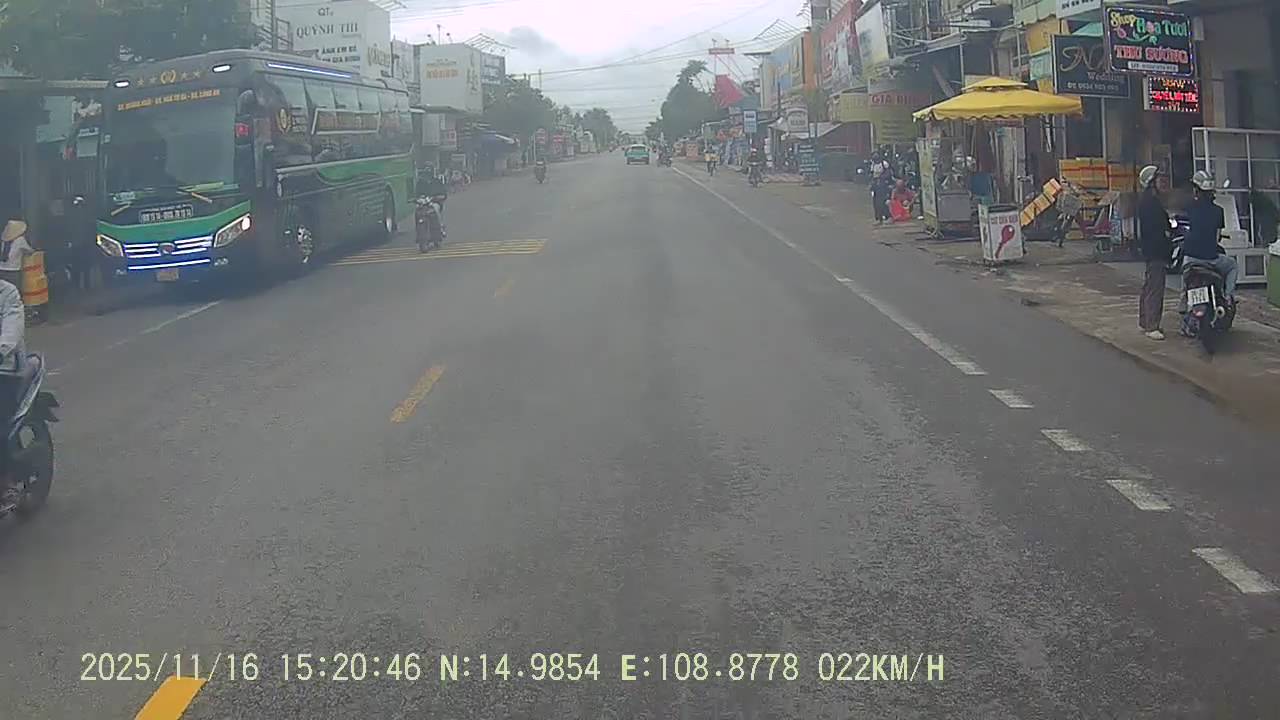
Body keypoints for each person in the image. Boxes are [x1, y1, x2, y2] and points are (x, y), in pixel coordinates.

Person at [1182, 170, 1238, 302]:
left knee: (1185, 275)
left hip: (1190, 258)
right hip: (1211, 258)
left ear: (1196, 190)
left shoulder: (1189, 207)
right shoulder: (1218, 211)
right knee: (1232, 265)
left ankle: (1184, 297)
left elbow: (1185, 226)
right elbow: (1217, 237)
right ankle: (1228, 296)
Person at [1136, 165, 1172, 340]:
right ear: (1151, 183)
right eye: (1159, 179)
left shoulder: (1149, 201)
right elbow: (1158, 229)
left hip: (1152, 250)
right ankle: (1152, 325)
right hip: (1156, 250)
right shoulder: (1151, 204)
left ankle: (1145, 321)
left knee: (1149, 285)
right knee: (1155, 288)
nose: (1163, 182)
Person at [0, 276, 24, 481]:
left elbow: (12, 328)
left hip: (6, 369)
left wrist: (1, 350)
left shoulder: (7, 293)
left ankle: (7, 483)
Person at [0, 220, 36, 290]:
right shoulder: (20, 240)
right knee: (14, 291)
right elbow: (30, 251)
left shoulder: (4, 241)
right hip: (13, 271)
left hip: (1, 269)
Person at [870, 154, 893, 224]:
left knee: (884, 202)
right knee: (876, 203)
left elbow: (889, 173)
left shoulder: (884, 163)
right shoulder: (873, 165)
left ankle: (888, 217)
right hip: (876, 186)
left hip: (883, 185)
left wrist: (882, 178)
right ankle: (878, 218)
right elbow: (872, 175)